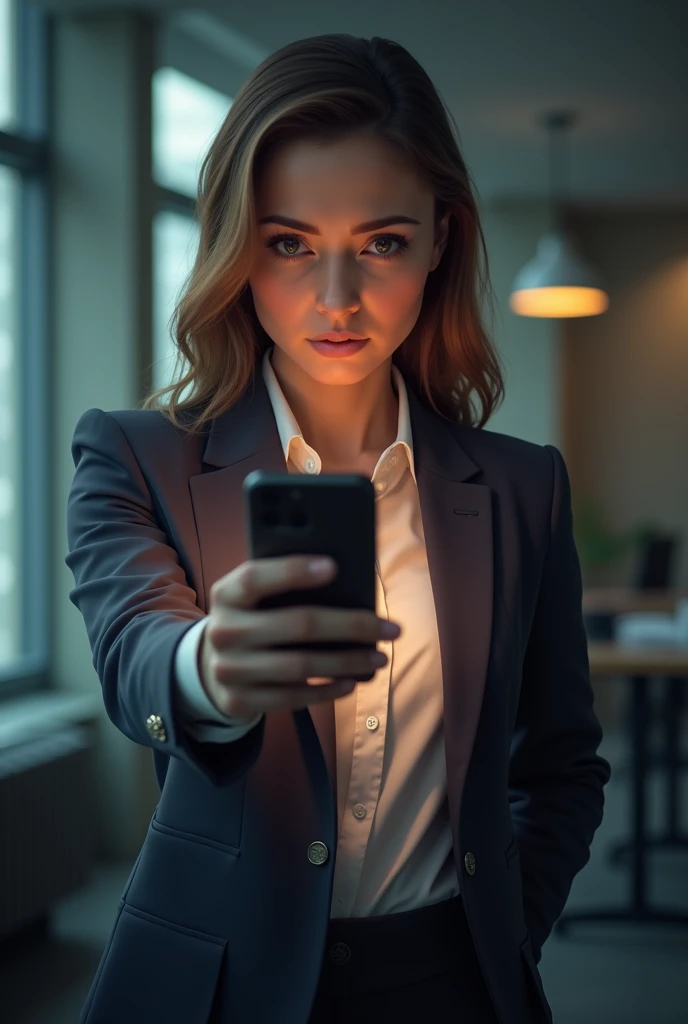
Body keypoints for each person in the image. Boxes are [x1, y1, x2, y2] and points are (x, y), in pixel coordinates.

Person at [65, 33, 611, 1024]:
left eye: (381, 244)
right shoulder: (135, 455)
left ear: (440, 238)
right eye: (289, 244)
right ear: (237, 245)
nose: (335, 300)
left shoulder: (523, 487)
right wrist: (212, 670)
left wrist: (506, 926)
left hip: (450, 982)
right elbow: (133, 654)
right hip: (212, 985)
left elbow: (560, 762)